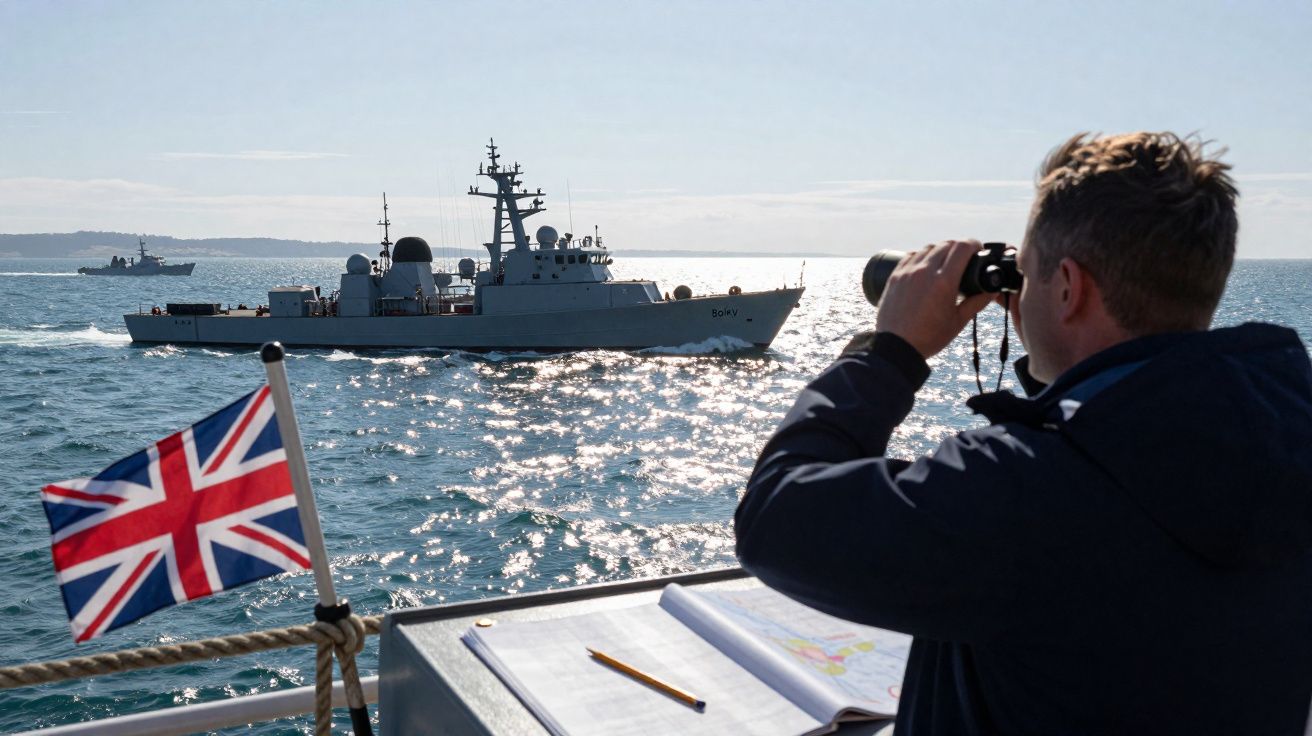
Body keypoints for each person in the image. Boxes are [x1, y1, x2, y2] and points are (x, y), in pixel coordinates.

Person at [734, 132, 1312, 735]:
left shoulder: (1026, 493)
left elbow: (777, 519)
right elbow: (1139, 443)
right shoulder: (1284, 439)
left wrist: (889, 354)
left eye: (1029, 275)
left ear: (1069, 287)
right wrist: (1064, 367)